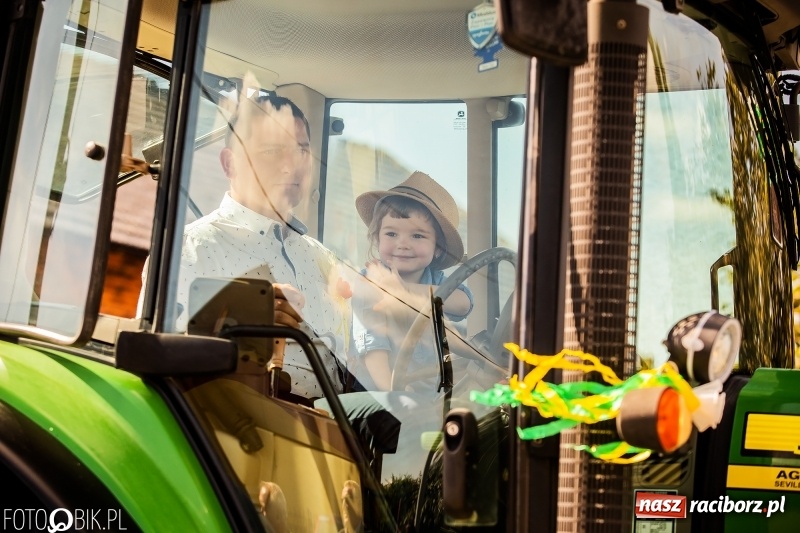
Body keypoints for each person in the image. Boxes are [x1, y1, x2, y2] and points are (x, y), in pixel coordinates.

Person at [160, 93, 350, 402]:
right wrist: (241, 329)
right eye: (273, 150)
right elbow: (160, 361)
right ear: (229, 163)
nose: (292, 165)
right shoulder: (189, 249)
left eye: (301, 150)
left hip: (340, 419)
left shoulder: (318, 255)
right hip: (257, 417)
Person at [351, 171, 473, 391]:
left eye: (417, 236)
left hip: (427, 395)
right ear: (377, 238)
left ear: (437, 248)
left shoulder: (434, 280)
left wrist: (404, 291)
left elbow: (464, 302)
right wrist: (393, 396)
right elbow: (373, 348)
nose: (402, 244)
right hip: (378, 394)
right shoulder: (370, 282)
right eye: (391, 234)